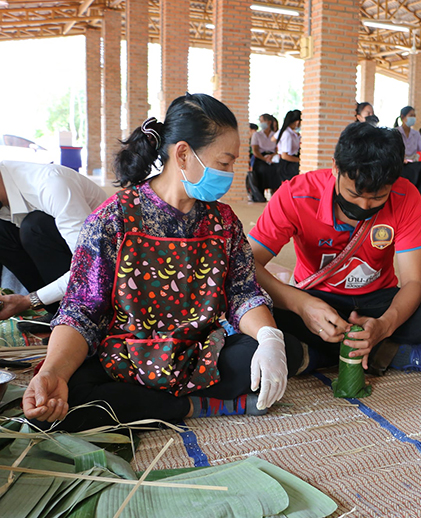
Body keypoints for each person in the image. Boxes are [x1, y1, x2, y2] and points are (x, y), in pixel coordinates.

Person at [22, 94, 303, 432]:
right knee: (69, 395)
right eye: (224, 163)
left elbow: (243, 293)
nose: (230, 174)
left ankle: (160, 405)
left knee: (268, 352)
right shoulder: (114, 219)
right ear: (182, 154)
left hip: (199, 354)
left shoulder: (223, 222)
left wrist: (270, 339)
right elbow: (82, 310)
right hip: (127, 357)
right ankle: (193, 406)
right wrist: (53, 371)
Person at [247, 122, 421, 378]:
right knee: (252, 308)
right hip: (318, 301)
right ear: (336, 167)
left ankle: (323, 354)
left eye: (377, 198)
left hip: (380, 301)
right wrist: (301, 305)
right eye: (354, 194)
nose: (364, 205)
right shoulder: (296, 195)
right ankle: (393, 354)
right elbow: (247, 264)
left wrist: (385, 325)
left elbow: (413, 281)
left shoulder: (406, 196)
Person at [0, 161, 107, 319]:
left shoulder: (51, 185)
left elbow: (89, 266)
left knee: (34, 226)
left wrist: (28, 301)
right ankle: (57, 312)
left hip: (105, 272)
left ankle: (78, 315)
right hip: (77, 269)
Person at [394, 106, 421, 208]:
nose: (413, 118)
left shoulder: (416, 134)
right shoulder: (396, 132)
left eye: (414, 115)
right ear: (402, 117)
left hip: (413, 164)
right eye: (411, 115)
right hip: (401, 166)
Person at [248, 113, 279, 202]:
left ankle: (275, 194)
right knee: (261, 169)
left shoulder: (275, 135)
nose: (261, 123)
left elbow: (277, 149)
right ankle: (260, 195)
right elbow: (255, 150)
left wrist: (272, 156)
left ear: (269, 122)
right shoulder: (257, 135)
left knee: (276, 169)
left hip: (272, 157)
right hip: (260, 157)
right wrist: (264, 158)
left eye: (262, 121)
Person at [276, 109, 302, 185]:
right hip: (287, 166)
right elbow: (284, 156)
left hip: (292, 161)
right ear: (297, 122)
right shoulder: (287, 134)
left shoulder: (294, 134)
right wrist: (300, 161)